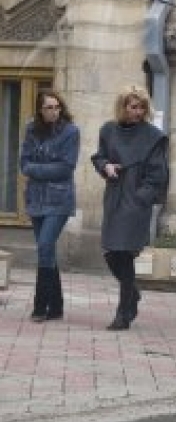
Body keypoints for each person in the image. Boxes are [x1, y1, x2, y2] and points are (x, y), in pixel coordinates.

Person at [91, 85, 168, 331]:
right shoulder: (108, 130)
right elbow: (99, 157)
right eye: (133, 106)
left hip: (135, 200)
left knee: (125, 254)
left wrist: (141, 197)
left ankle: (123, 314)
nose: (138, 111)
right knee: (111, 253)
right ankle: (132, 293)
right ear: (122, 106)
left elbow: (158, 173)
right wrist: (106, 167)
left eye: (142, 107)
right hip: (114, 195)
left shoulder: (153, 136)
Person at [19, 90, 80, 323]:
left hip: (59, 199)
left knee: (45, 245)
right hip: (35, 199)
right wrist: (38, 169)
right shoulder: (31, 130)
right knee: (47, 250)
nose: (54, 111)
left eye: (57, 107)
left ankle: (40, 305)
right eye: (49, 108)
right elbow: (23, 163)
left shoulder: (70, 132)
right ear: (40, 110)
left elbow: (66, 167)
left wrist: (37, 170)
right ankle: (56, 307)